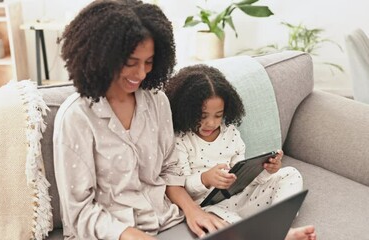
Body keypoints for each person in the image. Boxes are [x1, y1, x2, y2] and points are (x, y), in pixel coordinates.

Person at [53, 1, 227, 239]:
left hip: (167, 221)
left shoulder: (157, 102)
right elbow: (79, 210)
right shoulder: (76, 117)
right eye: (131, 63)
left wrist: (193, 211)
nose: (141, 74)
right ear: (102, 56)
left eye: (149, 62)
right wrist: (130, 234)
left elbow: (169, 169)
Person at [164, 64, 317, 240]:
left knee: (290, 174)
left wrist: (266, 169)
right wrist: (205, 179)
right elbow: (182, 187)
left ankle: (279, 225)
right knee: (226, 224)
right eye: (203, 116)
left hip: (242, 196)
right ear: (186, 111)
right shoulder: (182, 140)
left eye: (218, 115)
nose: (211, 123)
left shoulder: (231, 133)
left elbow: (244, 176)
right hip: (208, 206)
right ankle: (275, 235)